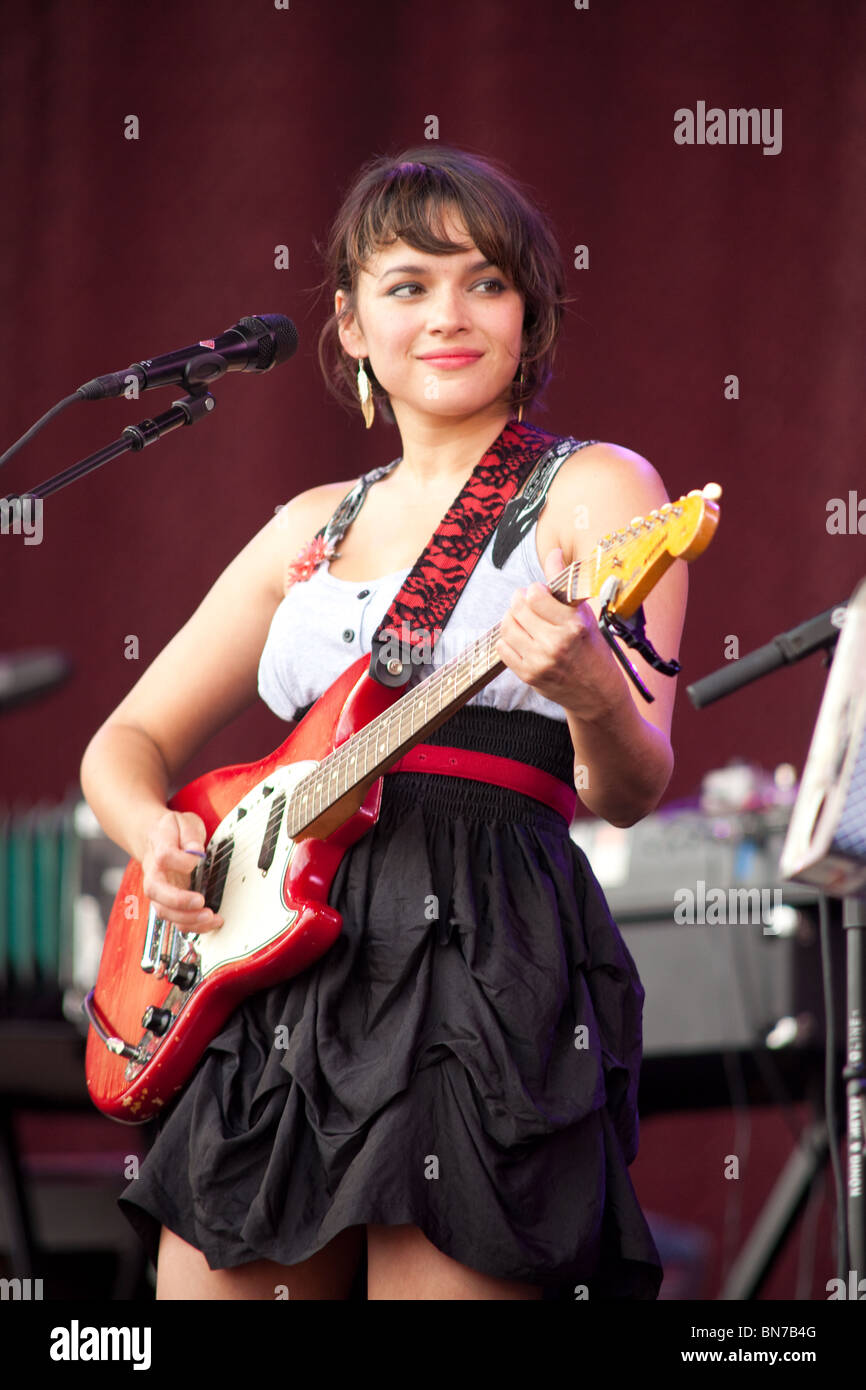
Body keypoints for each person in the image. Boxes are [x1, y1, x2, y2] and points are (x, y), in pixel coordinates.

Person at [79, 145, 687, 1301]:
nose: (446, 315)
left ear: (529, 314)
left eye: (484, 282)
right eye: (407, 286)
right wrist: (149, 833)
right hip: (274, 965)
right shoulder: (307, 525)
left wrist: (589, 686)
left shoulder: (595, 490)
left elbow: (631, 784)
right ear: (351, 324)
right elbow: (124, 743)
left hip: (479, 942)